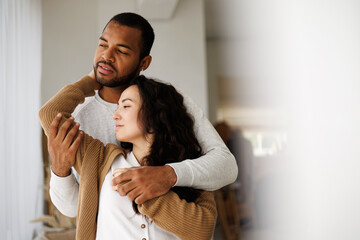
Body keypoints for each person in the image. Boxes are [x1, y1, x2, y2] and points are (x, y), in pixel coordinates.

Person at [47, 12, 237, 219]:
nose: (107, 56)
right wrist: (60, 170)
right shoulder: (79, 117)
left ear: (144, 62)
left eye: (121, 51)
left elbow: (226, 167)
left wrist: (167, 175)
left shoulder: (170, 102)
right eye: (103, 45)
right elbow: (75, 209)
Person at [39, 74, 217, 239]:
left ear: (155, 116)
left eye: (125, 106)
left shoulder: (189, 168)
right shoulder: (100, 159)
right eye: (117, 108)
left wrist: (149, 192)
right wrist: (90, 81)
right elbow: (49, 113)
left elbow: (203, 230)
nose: (115, 115)